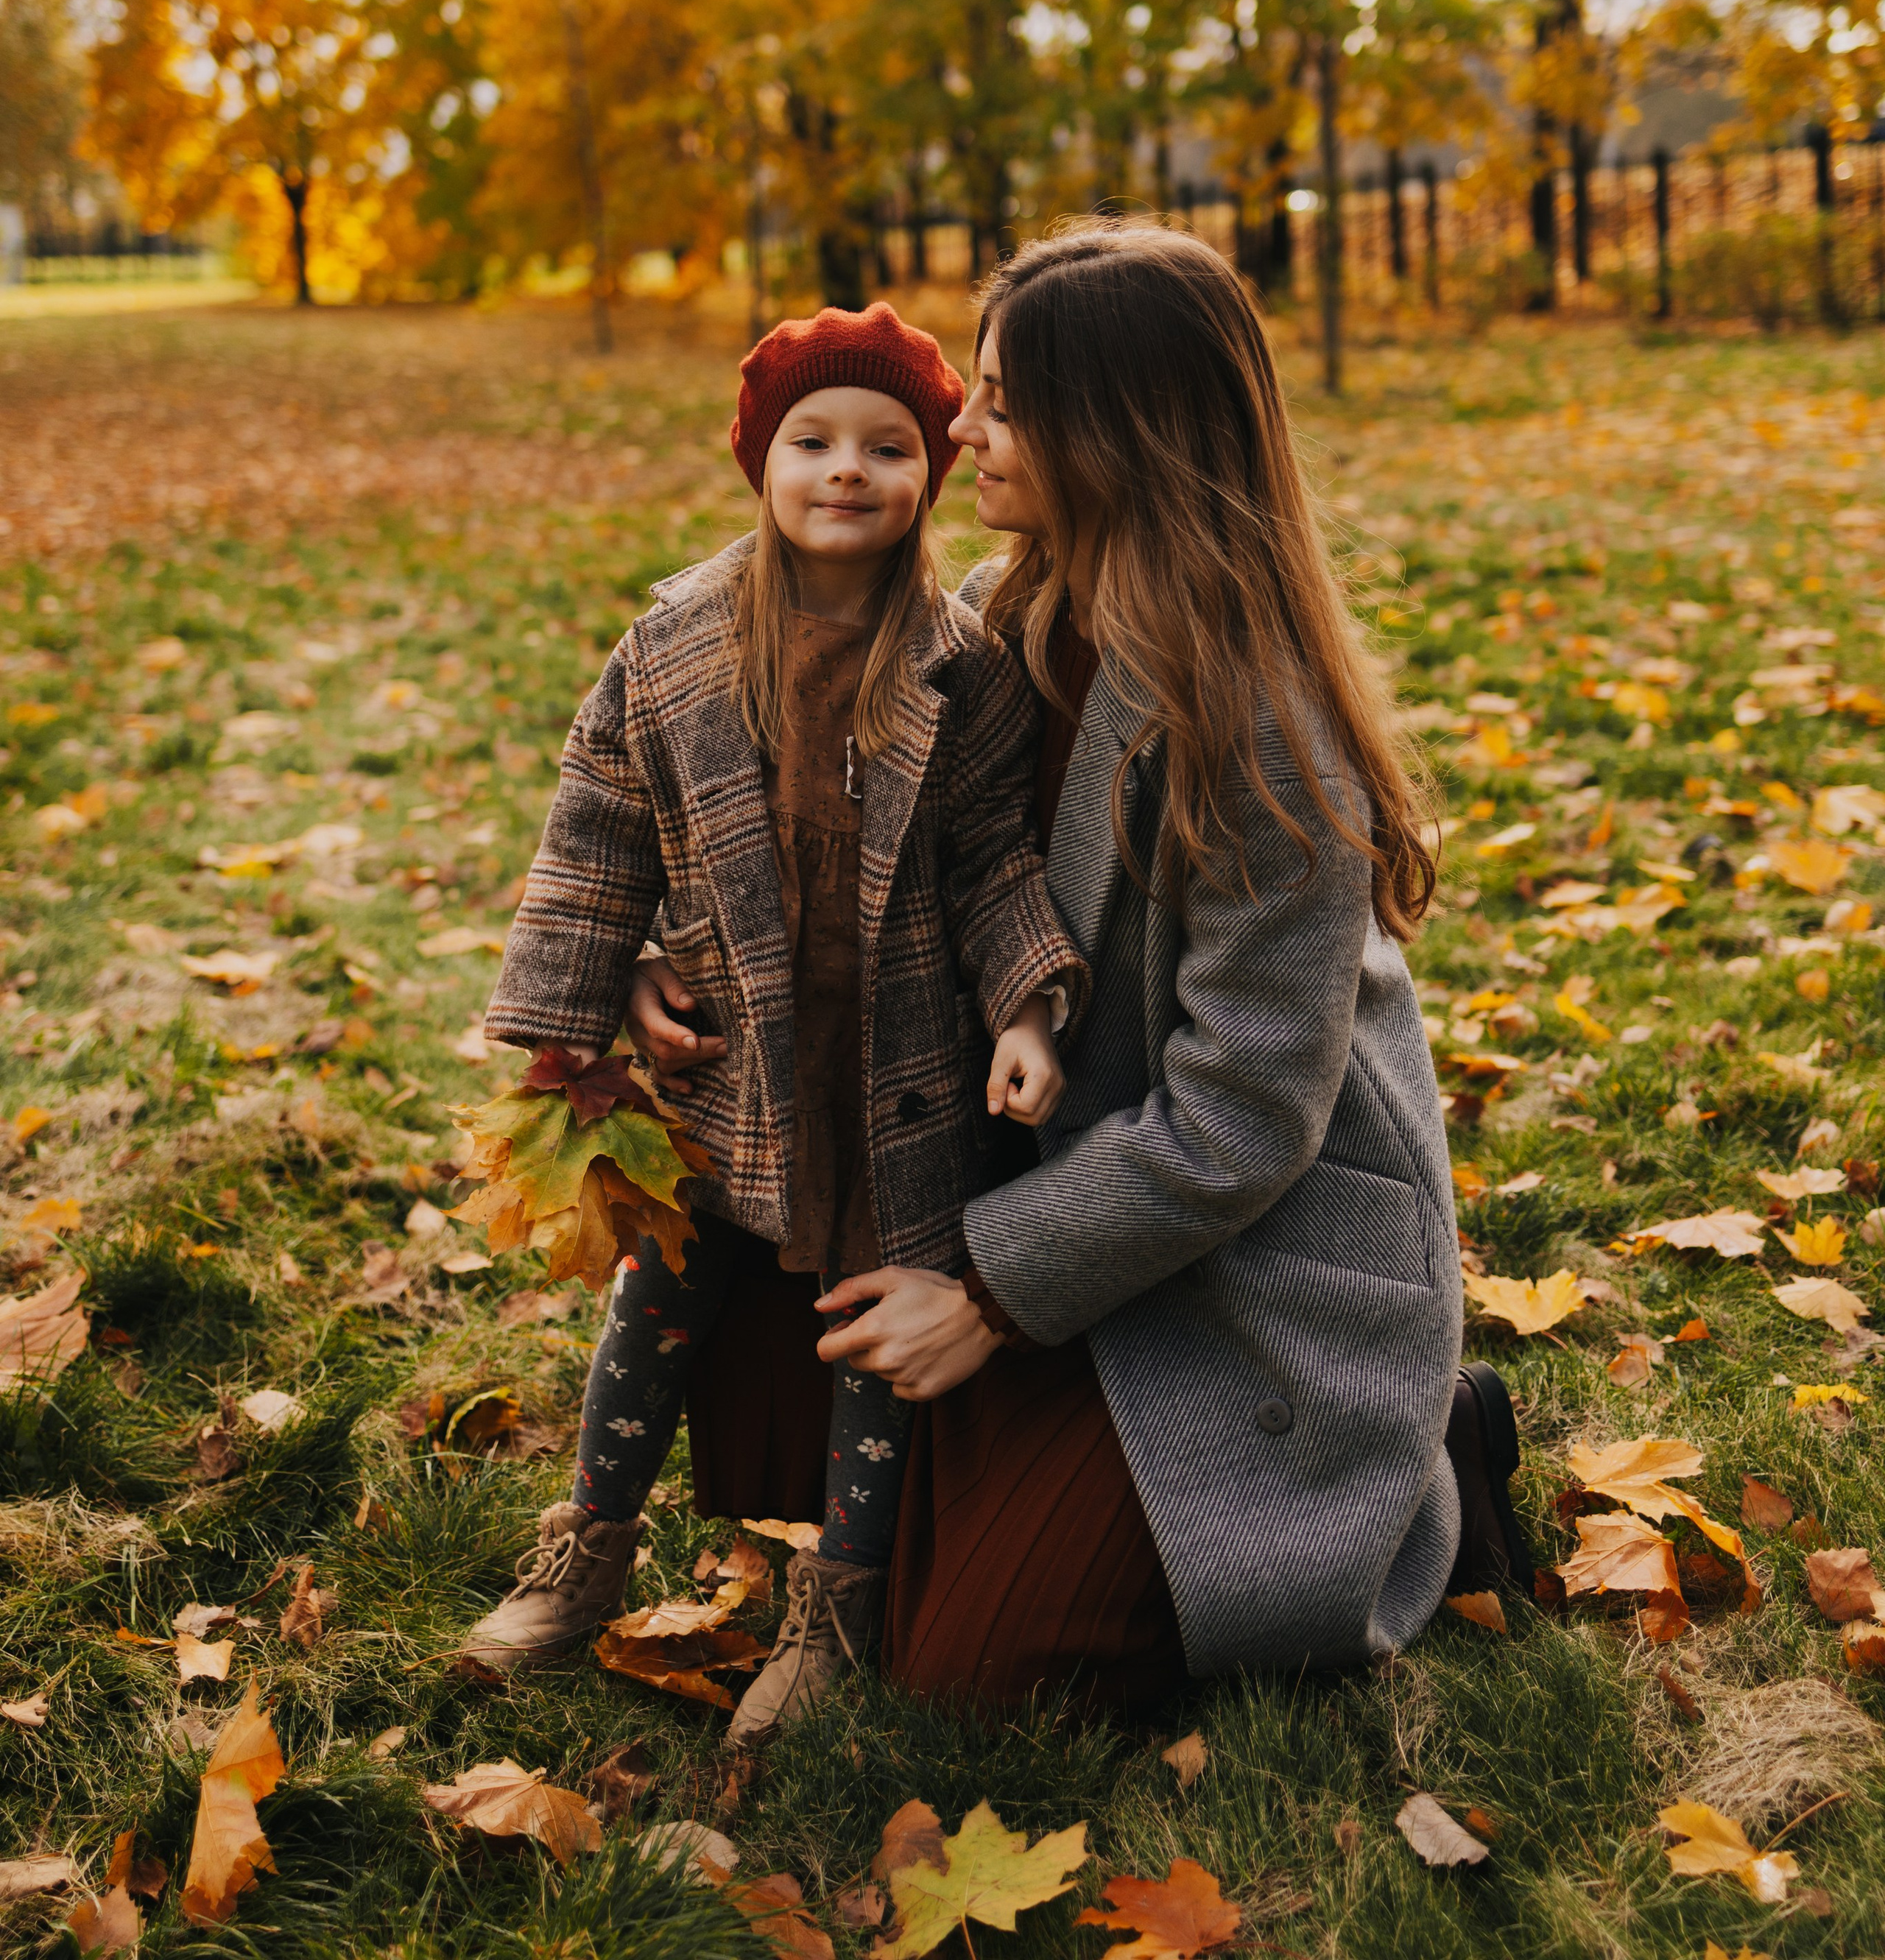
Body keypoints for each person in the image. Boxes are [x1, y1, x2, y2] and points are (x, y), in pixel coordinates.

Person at [634, 223, 1526, 1707]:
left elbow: (1242, 1120)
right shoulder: (1002, 618)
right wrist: (656, 959)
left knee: (978, 1665)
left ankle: (1436, 1451)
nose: (960, 431)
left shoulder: (1259, 729)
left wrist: (985, 1291)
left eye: (1003, 403)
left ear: (1120, 431)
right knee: (829, 1434)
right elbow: (809, 840)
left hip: (1243, 1259)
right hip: (1036, 1172)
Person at [457, 302, 1085, 1748]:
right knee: (659, 1300)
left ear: (931, 472)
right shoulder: (675, 648)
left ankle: (840, 1601)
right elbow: (599, 827)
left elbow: (993, 858)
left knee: (874, 1325)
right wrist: (591, 1002)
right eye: (813, 441)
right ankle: (585, 1548)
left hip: (898, 1074)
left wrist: (1027, 1003)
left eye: (887, 446)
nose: (846, 470)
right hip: (729, 1059)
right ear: (761, 461)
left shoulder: (962, 667)